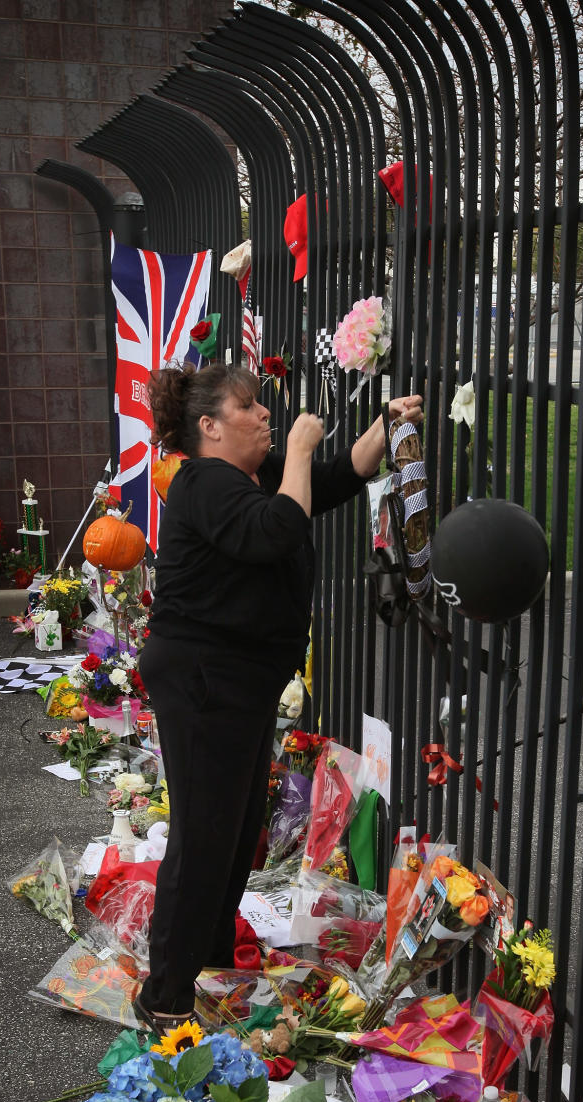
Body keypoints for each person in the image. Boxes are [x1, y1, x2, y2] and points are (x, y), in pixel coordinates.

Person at [134, 361, 423, 1032]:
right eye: (248, 408)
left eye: (264, 407)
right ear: (209, 427)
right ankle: (165, 995)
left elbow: (333, 481)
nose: (264, 415)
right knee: (205, 836)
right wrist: (296, 446)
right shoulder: (203, 484)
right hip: (205, 679)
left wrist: (383, 429)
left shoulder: (251, 478)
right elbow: (276, 532)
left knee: (235, 834)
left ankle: (204, 964)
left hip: (238, 681)